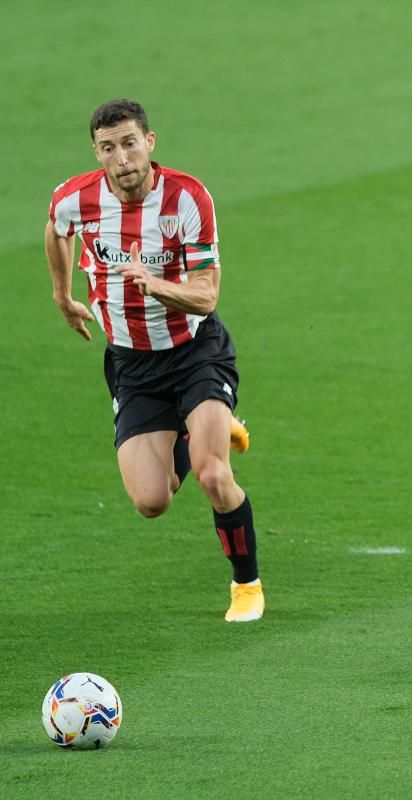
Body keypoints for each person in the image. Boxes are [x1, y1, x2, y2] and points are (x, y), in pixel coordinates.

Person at [44, 99, 264, 622]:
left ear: (149, 142)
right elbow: (56, 229)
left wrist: (156, 285)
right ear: (96, 152)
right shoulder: (75, 198)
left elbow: (207, 296)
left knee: (213, 475)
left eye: (129, 143)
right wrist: (62, 295)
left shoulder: (187, 198)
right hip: (132, 365)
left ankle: (247, 585)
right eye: (108, 148)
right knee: (151, 501)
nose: (121, 158)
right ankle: (202, 423)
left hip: (195, 353)